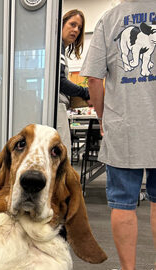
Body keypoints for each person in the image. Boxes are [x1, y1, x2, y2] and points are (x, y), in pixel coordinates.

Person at [80, 0, 156, 270]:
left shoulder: (110, 18)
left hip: (125, 123)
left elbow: (94, 78)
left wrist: (102, 116)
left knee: (123, 200)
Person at [57, 9, 91, 158]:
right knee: (64, 157)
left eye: (79, 28)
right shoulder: (57, 47)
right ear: (62, 24)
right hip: (56, 108)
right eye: (72, 24)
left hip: (58, 107)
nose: (76, 30)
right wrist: (85, 92)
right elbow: (60, 82)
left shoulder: (60, 49)